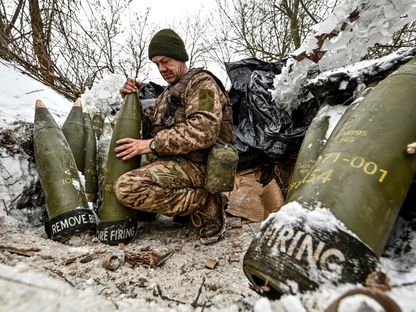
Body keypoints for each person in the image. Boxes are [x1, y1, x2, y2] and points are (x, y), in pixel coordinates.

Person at [114, 29, 234, 245]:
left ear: (180, 57)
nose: (162, 68)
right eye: (156, 63)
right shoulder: (167, 95)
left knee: (127, 188)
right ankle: (180, 205)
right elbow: (147, 126)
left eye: (165, 61)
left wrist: (151, 144)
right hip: (177, 162)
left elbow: (204, 130)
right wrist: (130, 100)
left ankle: (205, 201)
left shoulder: (202, 84)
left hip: (200, 164)